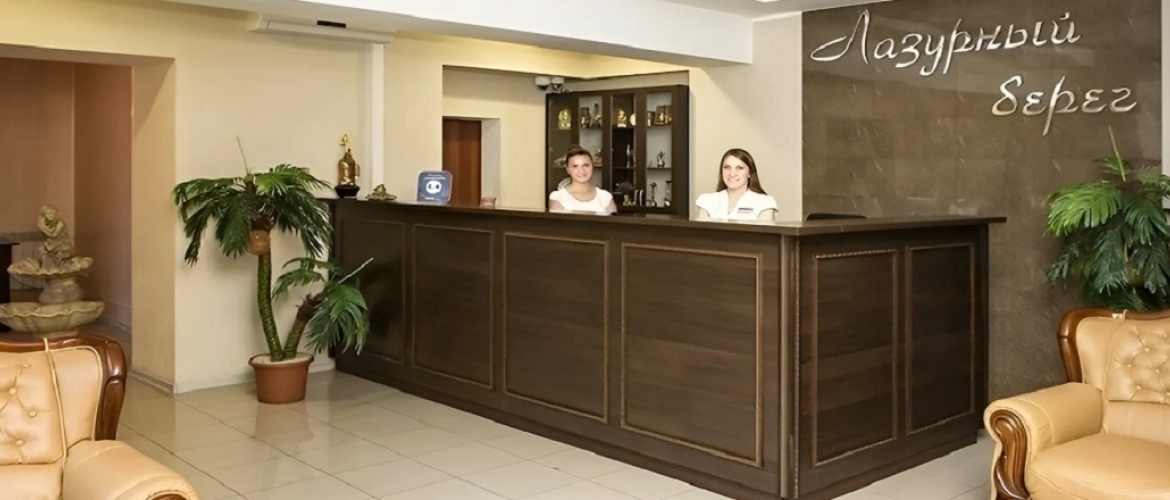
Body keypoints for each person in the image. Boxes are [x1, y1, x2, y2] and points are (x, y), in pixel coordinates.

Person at [695, 148, 778, 221]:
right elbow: (702, 232)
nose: (732, 173)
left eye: (739, 168)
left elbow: (763, 233)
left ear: (749, 172)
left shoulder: (765, 203)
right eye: (727, 167)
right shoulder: (706, 201)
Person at [549, 146, 617, 215]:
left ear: (592, 166)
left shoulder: (605, 197)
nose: (581, 171)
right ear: (568, 169)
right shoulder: (558, 197)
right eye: (575, 166)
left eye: (585, 165)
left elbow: (613, 221)